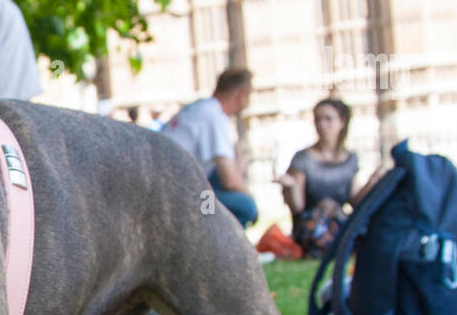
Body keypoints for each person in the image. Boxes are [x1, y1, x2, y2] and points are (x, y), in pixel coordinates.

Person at [277, 97, 383, 256]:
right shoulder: (303, 158)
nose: (322, 125)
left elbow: (354, 201)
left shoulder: (350, 159)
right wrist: (290, 186)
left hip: (338, 220)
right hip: (312, 224)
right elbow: (297, 207)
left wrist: (372, 183)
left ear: (342, 122)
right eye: (318, 120)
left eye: (328, 119)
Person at [162, 68, 258, 227]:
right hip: (179, 198)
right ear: (240, 95)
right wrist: (251, 197)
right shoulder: (214, 116)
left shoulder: (202, 107)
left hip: (173, 189)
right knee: (246, 207)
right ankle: (221, 247)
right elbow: (230, 181)